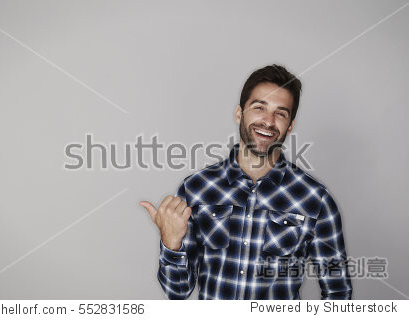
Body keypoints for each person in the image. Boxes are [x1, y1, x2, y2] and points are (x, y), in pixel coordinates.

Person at [140, 64, 352, 300]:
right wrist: (171, 243)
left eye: (280, 113)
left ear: (290, 126)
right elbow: (176, 291)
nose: (268, 121)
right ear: (240, 113)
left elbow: (338, 292)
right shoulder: (196, 189)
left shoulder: (315, 199)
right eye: (259, 107)